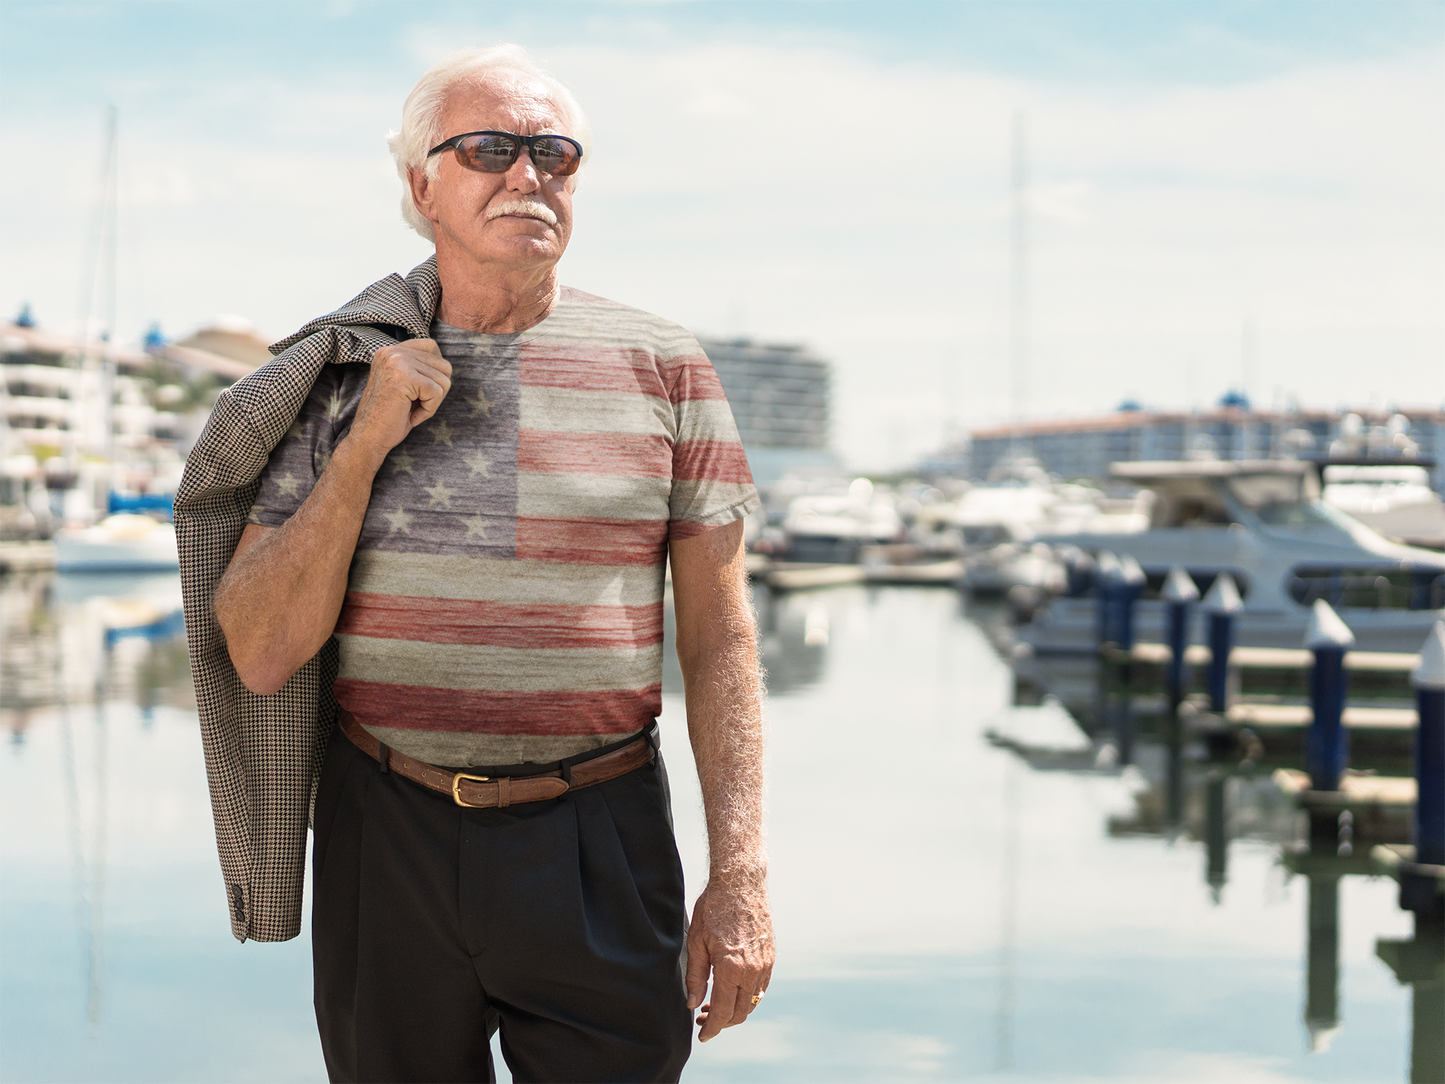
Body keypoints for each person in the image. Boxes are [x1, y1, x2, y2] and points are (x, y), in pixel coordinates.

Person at [176, 44, 772, 1082]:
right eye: (489, 149)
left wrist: (742, 875)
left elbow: (720, 641)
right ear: (423, 187)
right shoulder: (340, 375)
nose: (527, 174)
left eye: (555, 153)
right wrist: (364, 444)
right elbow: (262, 653)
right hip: (386, 835)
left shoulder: (665, 367)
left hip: (601, 836)